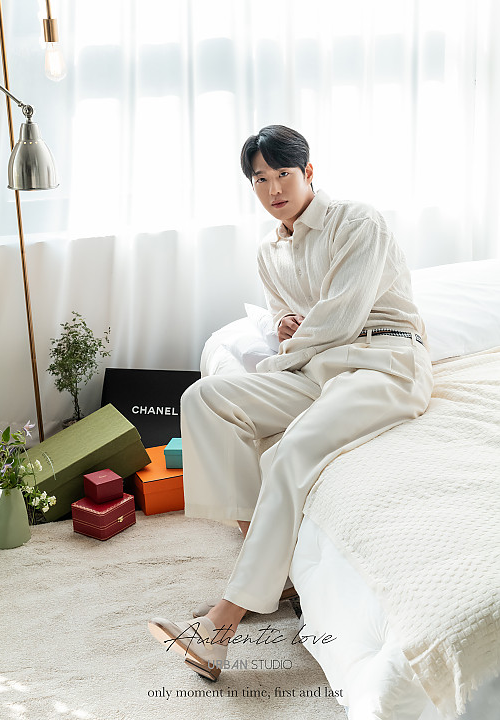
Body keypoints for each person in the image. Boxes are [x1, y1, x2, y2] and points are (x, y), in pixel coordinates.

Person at [148, 124, 434, 681]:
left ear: (308, 172)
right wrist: (282, 328)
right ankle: (270, 568)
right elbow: (290, 320)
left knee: (288, 451)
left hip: (384, 362)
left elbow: (340, 317)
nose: (274, 188)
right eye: (261, 179)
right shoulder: (268, 252)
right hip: (317, 367)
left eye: (284, 174)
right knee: (205, 399)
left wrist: (284, 356)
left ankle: (222, 625)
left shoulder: (357, 222)